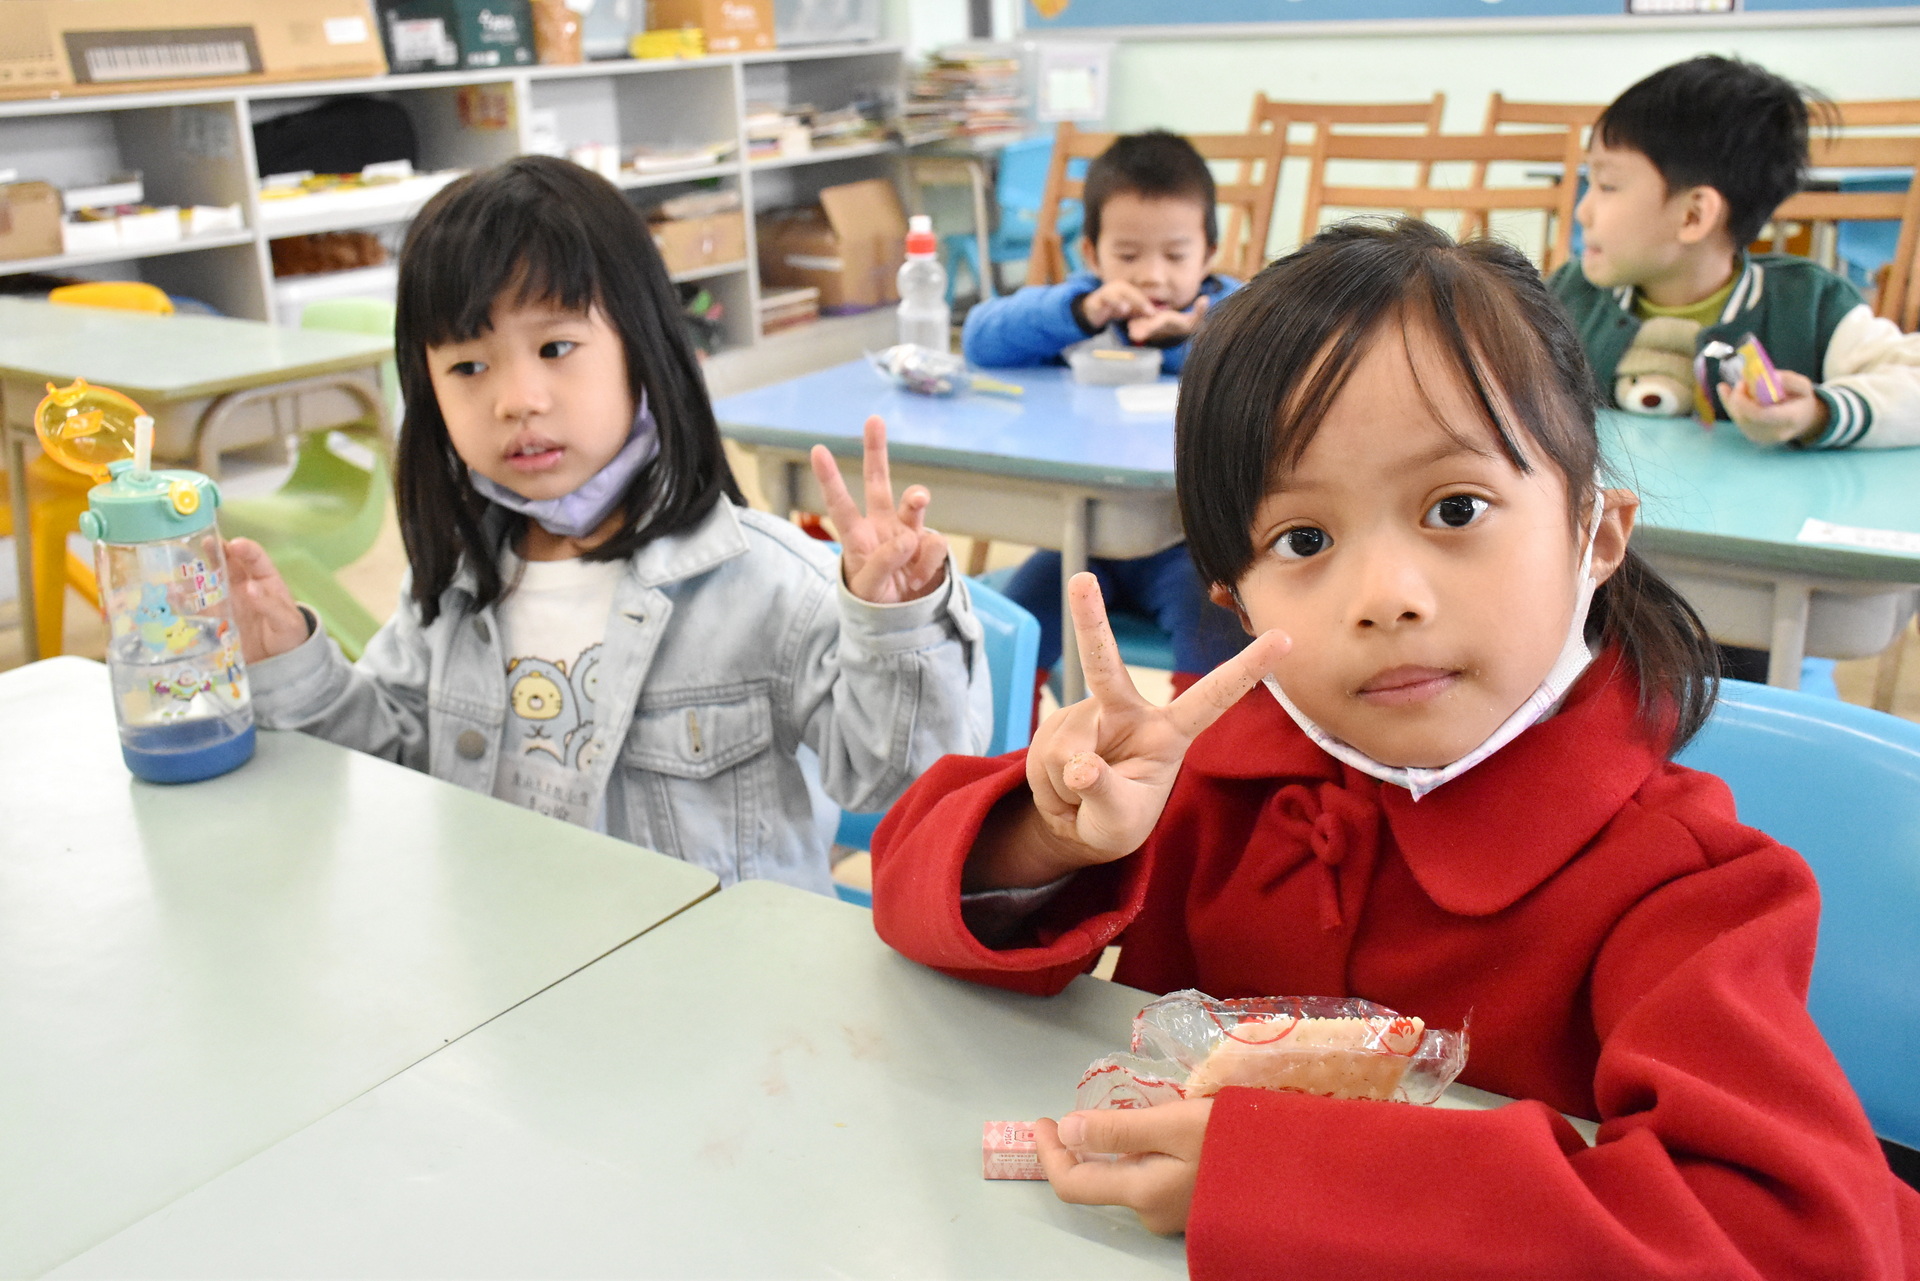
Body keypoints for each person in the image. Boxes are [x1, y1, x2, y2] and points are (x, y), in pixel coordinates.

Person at [870, 219, 1919, 1276]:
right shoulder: (1208, 764)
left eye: (1455, 508)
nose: (1386, 597)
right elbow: (908, 901)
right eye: (1304, 540)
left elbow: (1799, 1240)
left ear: (1594, 533)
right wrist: (1053, 837)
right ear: (1235, 600)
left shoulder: (1684, 885)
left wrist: (1281, 1177)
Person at [226, 155, 990, 894]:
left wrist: (897, 625)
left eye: (556, 347)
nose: (517, 399)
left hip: (711, 971)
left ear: (641, 346)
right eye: (468, 366)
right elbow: (389, 764)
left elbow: (903, 779)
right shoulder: (455, 584)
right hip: (512, 961)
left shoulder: (762, 582)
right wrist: (291, 662)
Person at [962, 129, 1247, 694]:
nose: (1151, 276)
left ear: (1209, 253)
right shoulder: (1081, 307)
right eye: (1128, 255)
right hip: (1083, 539)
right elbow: (980, 339)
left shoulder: (1232, 313)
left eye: (1175, 255)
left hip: (1190, 547)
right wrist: (1080, 312)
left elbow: (1268, 364)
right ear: (1091, 254)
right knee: (1010, 633)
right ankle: (1012, 750)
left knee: (1221, 643)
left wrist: (1185, 340)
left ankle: (1196, 753)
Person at [1553, 54, 1920, 451]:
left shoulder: (1809, 306)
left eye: (1607, 185)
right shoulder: (1565, 299)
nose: (1582, 211)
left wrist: (1818, 413)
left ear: (1693, 216)